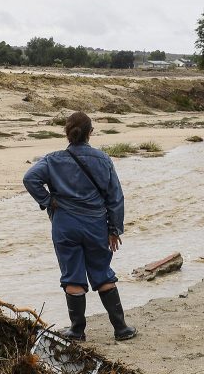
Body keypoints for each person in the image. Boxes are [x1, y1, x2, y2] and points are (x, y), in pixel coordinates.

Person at [23, 111, 137, 342]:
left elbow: (30, 178)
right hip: (95, 224)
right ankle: (121, 329)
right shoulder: (103, 159)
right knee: (102, 273)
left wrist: (47, 201)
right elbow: (116, 197)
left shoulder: (52, 159)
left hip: (64, 224)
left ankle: (77, 331)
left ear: (66, 132)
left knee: (72, 276)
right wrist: (114, 230)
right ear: (90, 133)